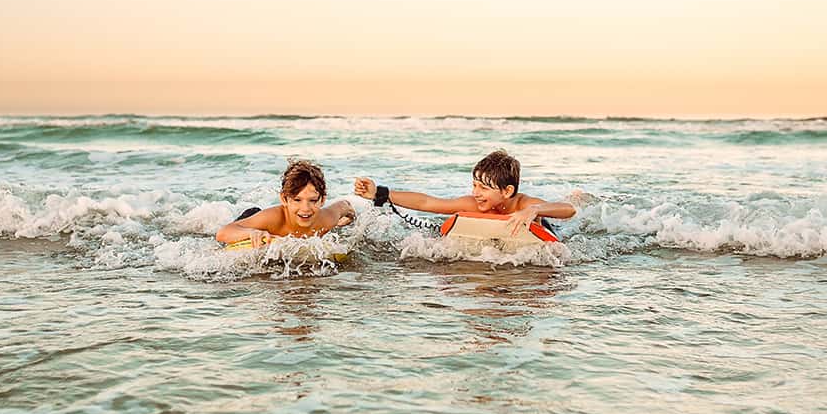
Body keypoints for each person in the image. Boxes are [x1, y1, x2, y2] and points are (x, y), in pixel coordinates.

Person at [353, 149, 575, 238]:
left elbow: (568, 210)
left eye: (484, 188)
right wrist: (379, 193)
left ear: (507, 191)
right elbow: (427, 202)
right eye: (475, 185)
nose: (475, 193)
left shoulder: (523, 204)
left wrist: (534, 210)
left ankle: (578, 193)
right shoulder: (473, 204)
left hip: (546, 229)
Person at [216, 159, 355, 248]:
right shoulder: (274, 218)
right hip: (254, 222)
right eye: (297, 200)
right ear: (284, 199)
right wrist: (252, 232)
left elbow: (345, 205)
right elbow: (222, 233)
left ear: (322, 200)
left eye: (313, 201)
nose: (305, 209)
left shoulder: (327, 218)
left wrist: (348, 220)